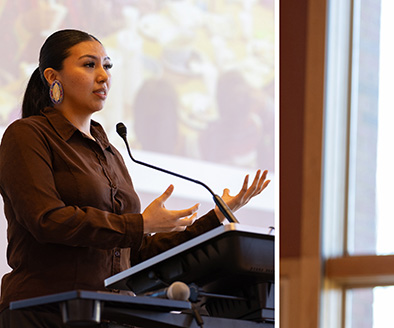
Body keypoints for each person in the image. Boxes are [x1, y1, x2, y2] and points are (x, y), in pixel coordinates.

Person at [0, 30, 270, 326]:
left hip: (113, 313)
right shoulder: (27, 135)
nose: (103, 76)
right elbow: (47, 220)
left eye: (108, 66)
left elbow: (134, 252)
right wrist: (139, 223)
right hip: (46, 312)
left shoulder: (111, 152)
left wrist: (217, 216)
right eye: (90, 65)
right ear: (53, 76)